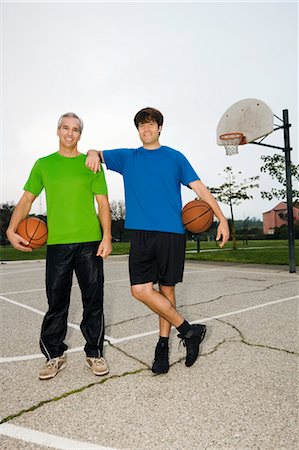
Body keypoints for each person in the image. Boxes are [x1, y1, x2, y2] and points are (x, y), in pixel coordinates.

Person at [86, 107, 229, 374]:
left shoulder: (175, 158)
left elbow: (199, 188)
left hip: (171, 233)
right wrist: (93, 151)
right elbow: (96, 154)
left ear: (160, 128)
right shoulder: (128, 157)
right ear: (138, 130)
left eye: (151, 124)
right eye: (142, 125)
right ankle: (189, 331)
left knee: (167, 290)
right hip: (140, 234)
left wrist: (221, 217)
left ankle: (162, 346)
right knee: (139, 290)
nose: (147, 129)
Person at [7, 112, 112, 380]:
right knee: (56, 302)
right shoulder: (44, 164)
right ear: (57, 131)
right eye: (65, 128)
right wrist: (10, 228)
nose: (70, 133)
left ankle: (94, 352)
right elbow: (27, 200)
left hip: (89, 241)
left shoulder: (91, 164)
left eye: (75, 129)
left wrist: (107, 236)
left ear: (80, 135)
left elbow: (102, 204)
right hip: (57, 244)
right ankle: (54, 355)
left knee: (94, 300)